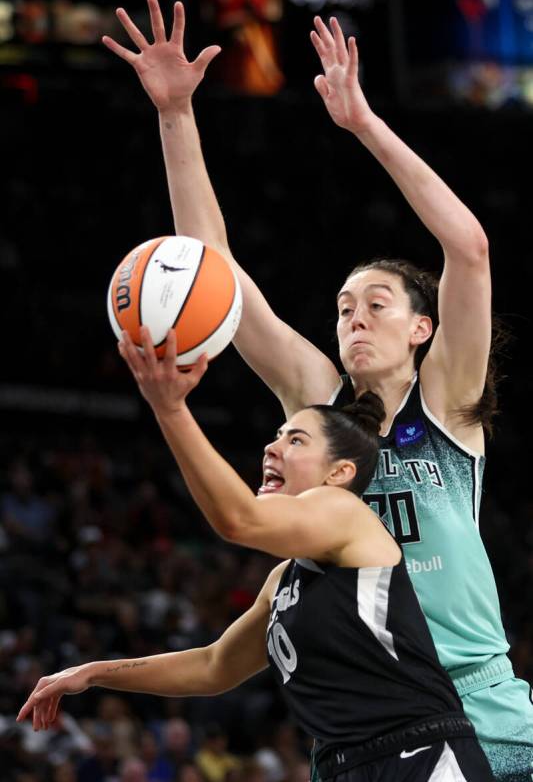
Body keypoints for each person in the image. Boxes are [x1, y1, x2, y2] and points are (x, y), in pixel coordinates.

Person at [101, 0, 533, 780]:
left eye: (376, 304)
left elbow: (465, 247)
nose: (354, 318)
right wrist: (174, 115)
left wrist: (363, 124)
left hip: (485, 704)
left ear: (420, 329)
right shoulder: (318, 404)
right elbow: (213, 274)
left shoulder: (446, 406)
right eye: (342, 308)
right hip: (382, 715)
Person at [17, 328, 495, 781]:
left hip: (419, 753)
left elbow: (237, 520)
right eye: (277, 435)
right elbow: (213, 666)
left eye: (296, 440)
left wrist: (171, 410)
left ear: (339, 472)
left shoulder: (346, 515)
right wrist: (93, 673)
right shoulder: (284, 580)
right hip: (342, 765)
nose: (272, 447)